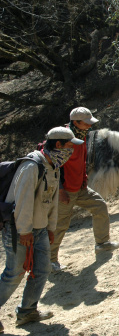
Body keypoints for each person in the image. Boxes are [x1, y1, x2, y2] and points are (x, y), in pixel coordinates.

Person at [0, 127, 84, 330]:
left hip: (40, 229)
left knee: (42, 269)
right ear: (58, 145)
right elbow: (23, 202)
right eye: (69, 146)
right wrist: (25, 230)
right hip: (20, 229)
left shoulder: (53, 166)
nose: (71, 151)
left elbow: (52, 201)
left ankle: (27, 311)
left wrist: (50, 228)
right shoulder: (32, 166)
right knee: (14, 273)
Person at [50, 107, 119, 273]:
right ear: (76, 122)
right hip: (65, 191)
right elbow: (53, 166)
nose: (89, 126)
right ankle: (50, 261)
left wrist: (83, 180)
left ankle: (102, 243)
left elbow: (81, 161)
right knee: (60, 225)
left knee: (100, 207)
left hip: (80, 188)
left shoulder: (81, 136)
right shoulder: (61, 138)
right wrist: (60, 190)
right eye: (86, 123)